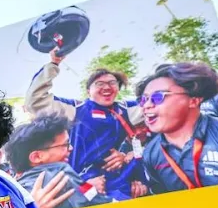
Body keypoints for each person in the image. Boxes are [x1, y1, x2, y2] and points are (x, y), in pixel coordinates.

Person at [26, 49, 145, 200]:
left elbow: (167, 116)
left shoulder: (127, 110)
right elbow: (34, 101)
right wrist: (53, 64)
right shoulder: (76, 109)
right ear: (88, 91)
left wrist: (129, 155)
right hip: (83, 184)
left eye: (112, 83)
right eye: (99, 83)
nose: (107, 87)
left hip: (119, 185)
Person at [136, 62, 218, 193]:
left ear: (194, 99)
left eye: (158, 97)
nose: (146, 105)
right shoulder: (151, 154)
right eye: (143, 99)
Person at [7, 113, 121, 208]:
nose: (71, 148)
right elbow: (100, 201)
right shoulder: (61, 172)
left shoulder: (12, 190)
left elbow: (84, 188)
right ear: (37, 157)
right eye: (65, 145)